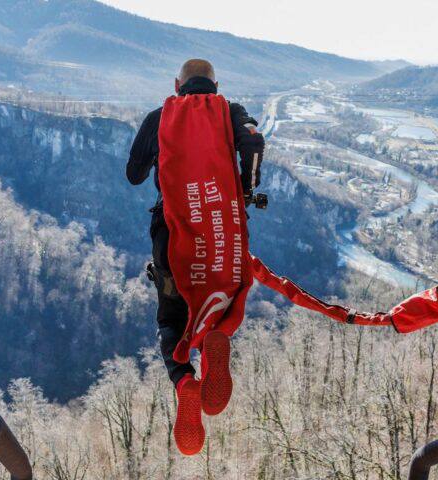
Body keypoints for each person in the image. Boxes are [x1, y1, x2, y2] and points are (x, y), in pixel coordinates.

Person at [126, 59, 265, 455]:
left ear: (177, 84)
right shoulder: (231, 112)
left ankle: (185, 382)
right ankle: (214, 339)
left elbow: (133, 174)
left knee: (171, 313)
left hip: (171, 230)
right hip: (223, 228)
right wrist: (244, 187)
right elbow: (254, 143)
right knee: (218, 294)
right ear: (216, 86)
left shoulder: (160, 117)